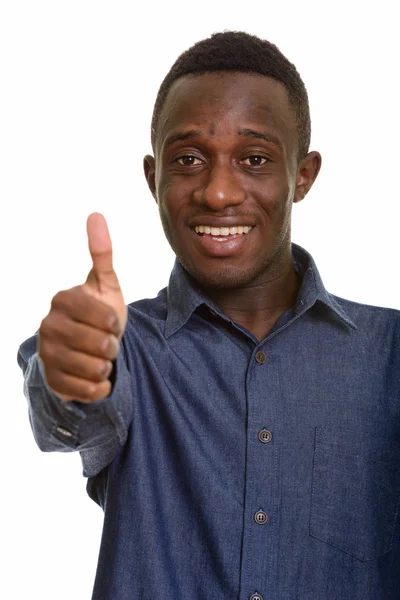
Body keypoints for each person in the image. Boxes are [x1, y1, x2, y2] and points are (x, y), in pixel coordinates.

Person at [17, 30, 400, 600]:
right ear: (154, 179)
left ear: (303, 175)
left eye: (254, 159)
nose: (218, 193)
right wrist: (71, 370)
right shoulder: (126, 346)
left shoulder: (390, 354)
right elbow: (69, 417)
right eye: (190, 159)